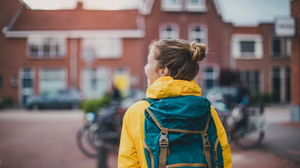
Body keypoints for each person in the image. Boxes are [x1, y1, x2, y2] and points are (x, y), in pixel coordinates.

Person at [118, 39, 232, 168]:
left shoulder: (137, 112)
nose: (145, 68)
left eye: (149, 62)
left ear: (163, 71)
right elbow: (223, 158)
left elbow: (128, 163)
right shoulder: (207, 111)